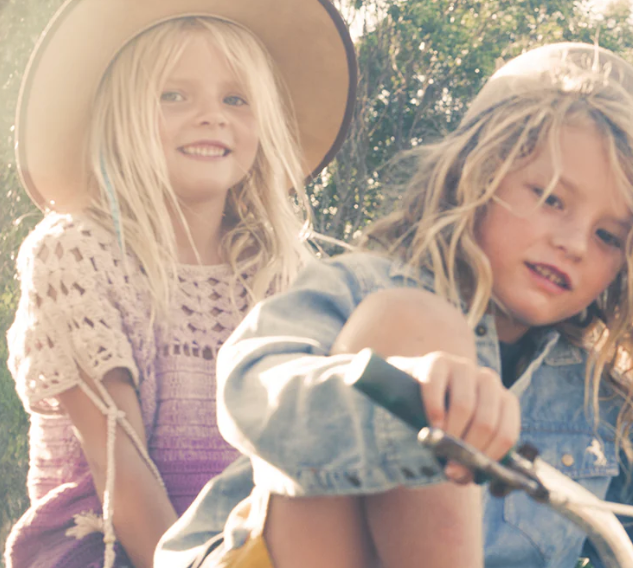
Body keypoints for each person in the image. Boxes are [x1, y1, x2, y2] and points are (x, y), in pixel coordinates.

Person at [154, 42, 633, 568]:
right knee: (413, 321)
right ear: (476, 174)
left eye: (609, 235)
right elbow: (250, 390)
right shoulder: (364, 285)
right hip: (279, 553)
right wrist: (398, 391)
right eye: (551, 199)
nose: (575, 243)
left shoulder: (597, 402)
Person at [4, 1, 356, 568]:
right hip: (109, 543)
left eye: (235, 99)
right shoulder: (75, 253)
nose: (211, 116)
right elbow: (118, 466)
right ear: (120, 116)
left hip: (249, 542)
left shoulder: (281, 272)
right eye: (174, 95)